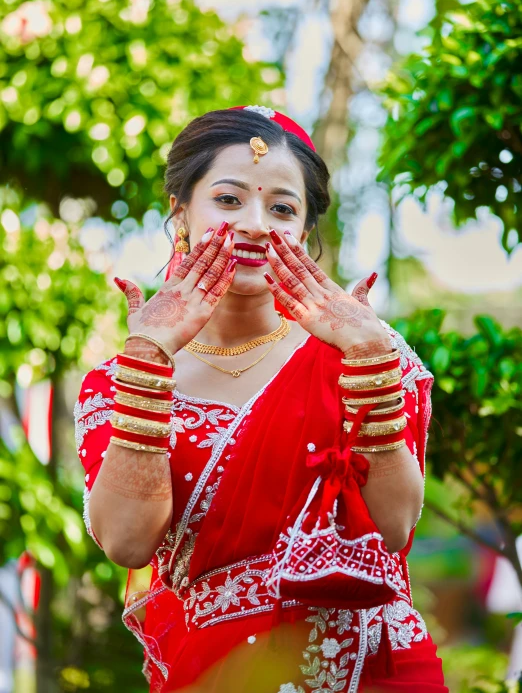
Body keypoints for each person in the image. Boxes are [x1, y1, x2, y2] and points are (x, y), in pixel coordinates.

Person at [74, 106, 448, 692]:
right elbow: (126, 541)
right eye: (228, 200)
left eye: (281, 208)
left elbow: (394, 526)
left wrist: (371, 364)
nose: (255, 224)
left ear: (303, 231)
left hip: (371, 671)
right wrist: (149, 362)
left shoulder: (362, 349)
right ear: (181, 212)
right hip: (218, 674)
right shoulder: (118, 380)